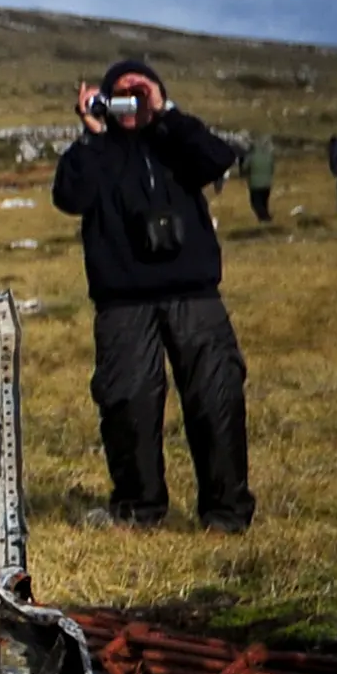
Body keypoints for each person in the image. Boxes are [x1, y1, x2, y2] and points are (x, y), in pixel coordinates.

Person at [52, 59, 253, 530]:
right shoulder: (97, 151)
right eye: (118, 95)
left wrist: (164, 114)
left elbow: (217, 158)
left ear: (156, 96)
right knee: (128, 402)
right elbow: (69, 197)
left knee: (216, 397)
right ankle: (139, 510)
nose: (129, 104)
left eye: (137, 94)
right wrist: (92, 133)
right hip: (123, 300)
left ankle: (226, 513)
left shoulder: (175, 140)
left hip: (195, 294)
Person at [244, 134, 274, 222]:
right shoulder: (268, 155)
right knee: (264, 202)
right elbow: (272, 168)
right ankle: (265, 219)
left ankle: (265, 218)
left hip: (255, 184)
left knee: (255, 203)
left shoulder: (251, 156)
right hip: (267, 183)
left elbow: (245, 168)